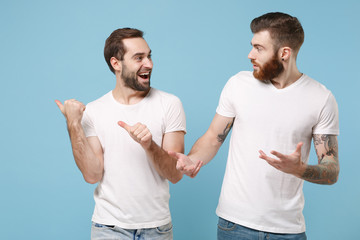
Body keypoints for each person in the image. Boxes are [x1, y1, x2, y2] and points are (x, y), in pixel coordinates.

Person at [170, 12, 339, 240]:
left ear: (284, 53)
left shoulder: (321, 98)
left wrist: (299, 169)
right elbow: (213, 137)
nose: (250, 55)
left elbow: (331, 171)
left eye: (259, 48)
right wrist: (192, 158)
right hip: (234, 225)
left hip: (287, 231)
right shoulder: (238, 84)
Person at [55, 28, 190, 240]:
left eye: (149, 56)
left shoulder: (169, 104)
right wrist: (73, 123)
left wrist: (149, 145)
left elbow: (175, 174)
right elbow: (92, 175)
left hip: (157, 229)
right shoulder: (94, 110)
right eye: (139, 58)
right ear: (116, 63)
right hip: (108, 228)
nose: (149, 64)